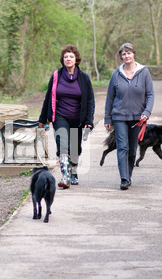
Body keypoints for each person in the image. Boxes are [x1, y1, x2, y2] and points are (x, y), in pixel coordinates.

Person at [38, 44, 95, 189]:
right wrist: (42, 119)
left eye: (71, 56)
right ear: (62, 60)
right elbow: (48, 97)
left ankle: (73, 172)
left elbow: (90, 100)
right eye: (65, 57)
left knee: (75, 148)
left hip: (78, 117)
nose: (68, 59)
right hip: (60, 116)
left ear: (76, 59)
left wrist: (89, 120)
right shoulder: (57, 76)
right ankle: (65, 175)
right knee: (63, 144)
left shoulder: (84, 78)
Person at [104, 43, 154, 190]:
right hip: (119, 116)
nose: (126, 56)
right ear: (121, 56)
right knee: (122, 147)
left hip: (138, 118)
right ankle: (124, 178)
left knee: (132, 150)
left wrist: (147, 112)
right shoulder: (116, 74)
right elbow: (109, 98)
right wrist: (107, 118)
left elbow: (150, 94)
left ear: (134, 54)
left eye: (129, 53)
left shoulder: (144, 72)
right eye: (123, 54)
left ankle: (129, 174)